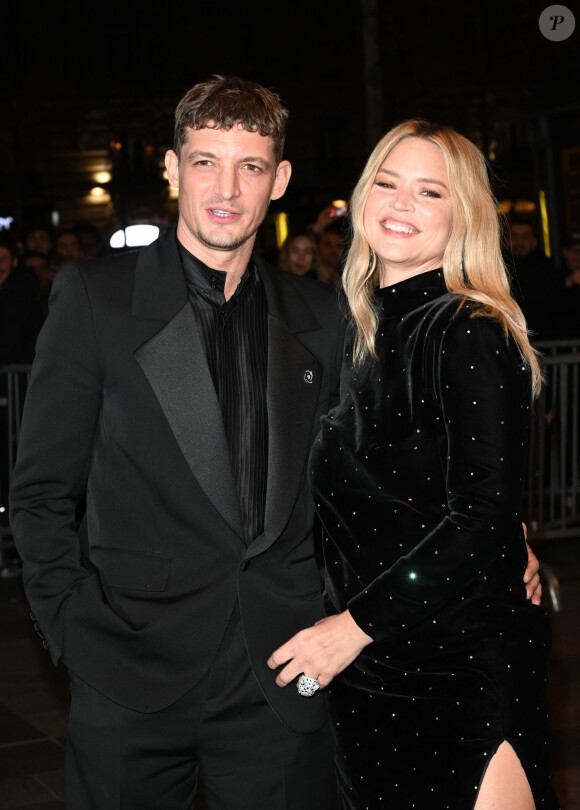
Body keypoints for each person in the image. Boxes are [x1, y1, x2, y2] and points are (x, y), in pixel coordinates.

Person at [9, 75, 345, 810]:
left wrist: (493, 536)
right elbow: (39, 492)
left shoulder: (323, 315)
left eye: (250, 166)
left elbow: (363, 485)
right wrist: (73, 632)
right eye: (205, 161)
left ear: (279, 179)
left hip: (280, 681)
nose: (226, 188)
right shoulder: (96, 298)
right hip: (132, 677)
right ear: (172, 167)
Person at [268, 120, 559, 808]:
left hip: (456, 669)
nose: (401, 204)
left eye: (430, 191)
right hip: (374, 668)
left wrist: (350, 627)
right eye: (388, 183)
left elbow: (481, 516)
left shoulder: (468, 329)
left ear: (464, 215)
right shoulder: (364, 330)